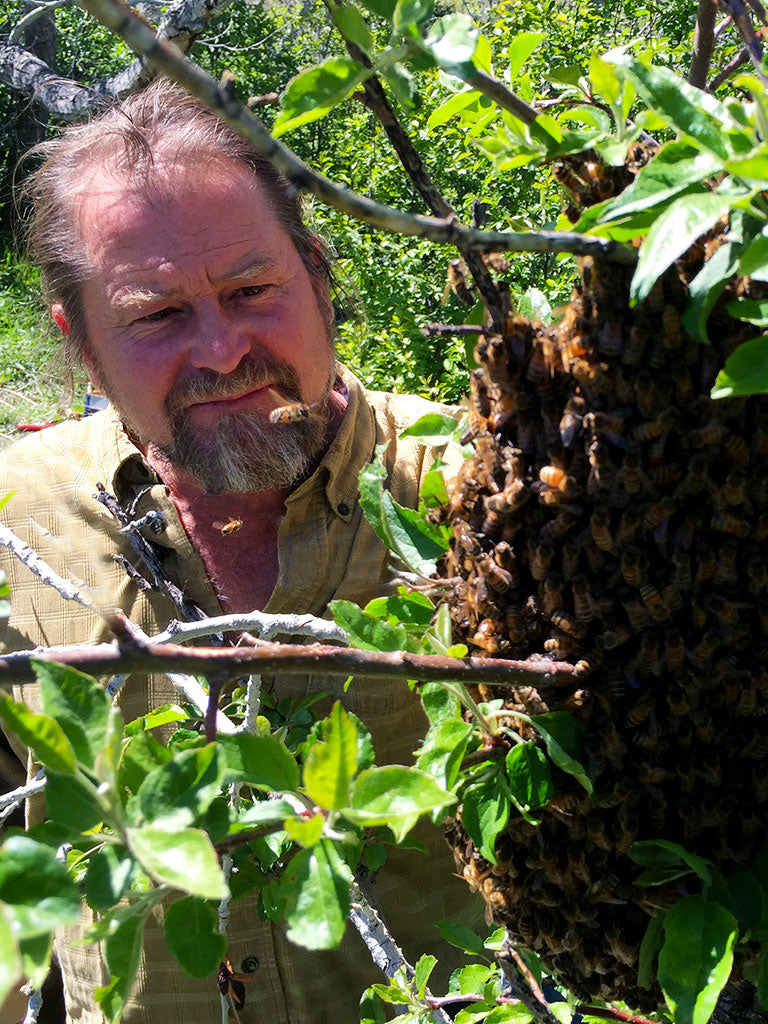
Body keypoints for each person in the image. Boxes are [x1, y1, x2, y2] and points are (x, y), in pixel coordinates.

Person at [0, 78, 481, 1022]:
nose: (222, 349)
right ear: (83, 343)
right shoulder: (17, 522)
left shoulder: (476, 490)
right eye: (157, 314)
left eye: (252, 291)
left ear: (318, 272)